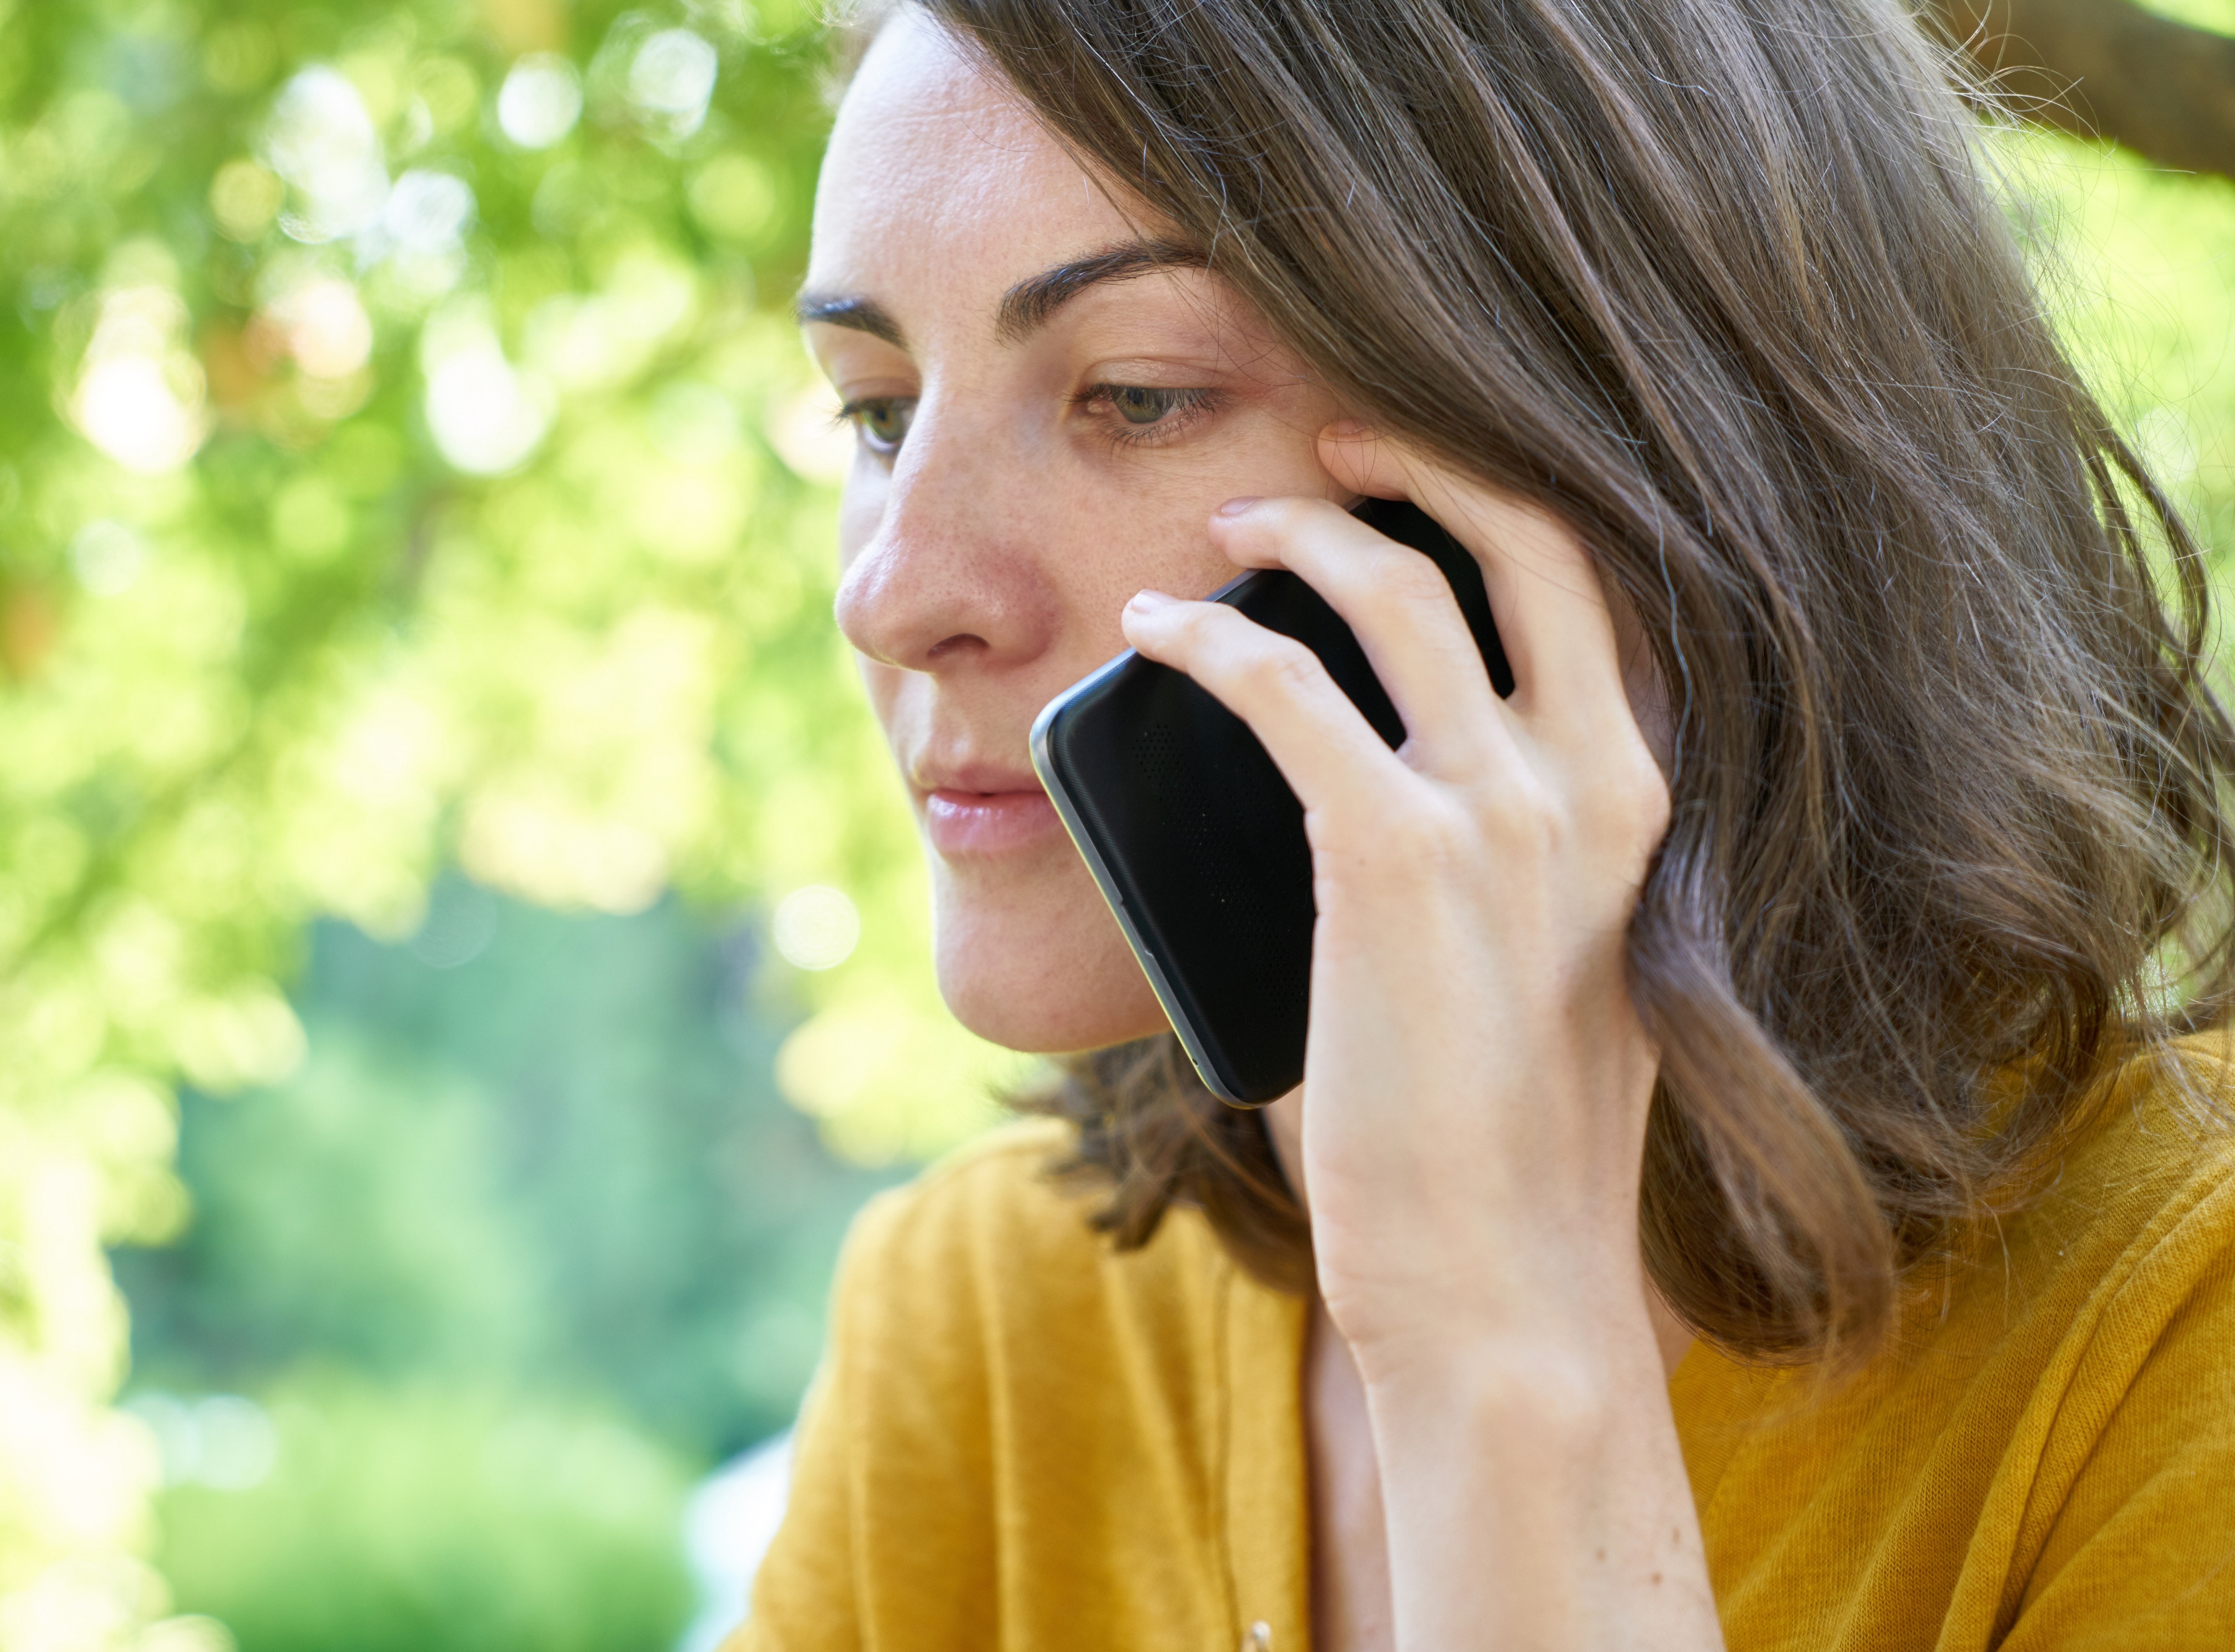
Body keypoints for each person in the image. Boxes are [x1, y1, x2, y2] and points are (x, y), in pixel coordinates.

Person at [739, 0, 2235, 1645]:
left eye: (1137, 394)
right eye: (875, 411)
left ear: (1640, 470)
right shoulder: (986, 1323)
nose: (894, 591)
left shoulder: (2179, 1319)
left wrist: (1498, 1347)